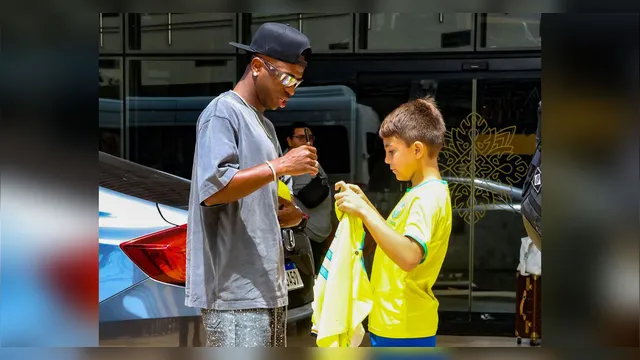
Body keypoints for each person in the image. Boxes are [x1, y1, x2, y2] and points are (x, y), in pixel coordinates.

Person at [185, 22, 318, 348]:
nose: (291, 90)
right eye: (287, 78)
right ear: (258, 66)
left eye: (297, 82)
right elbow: (214, 189)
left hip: (268, 288)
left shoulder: (267, 127)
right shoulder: (222, 113)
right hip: (235, 293)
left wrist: (288, 214)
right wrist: (280, 165)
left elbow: (258, 199)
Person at [333, 96, 452, 348]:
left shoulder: (426, 197)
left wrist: (365, 212)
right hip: (396, 324)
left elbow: (409, 256)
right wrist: (365, 205)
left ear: (417, 149)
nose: (387, 161)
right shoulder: (420, 193)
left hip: (403, 327)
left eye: (391, 151)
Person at [284, 122, 333, 273]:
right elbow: (307, 198)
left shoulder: (311, 160)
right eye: (300, 138)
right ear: (289, 141)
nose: (307, 142)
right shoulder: (288, 164)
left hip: (320, 234)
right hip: (305, 234)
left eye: (310, 137)